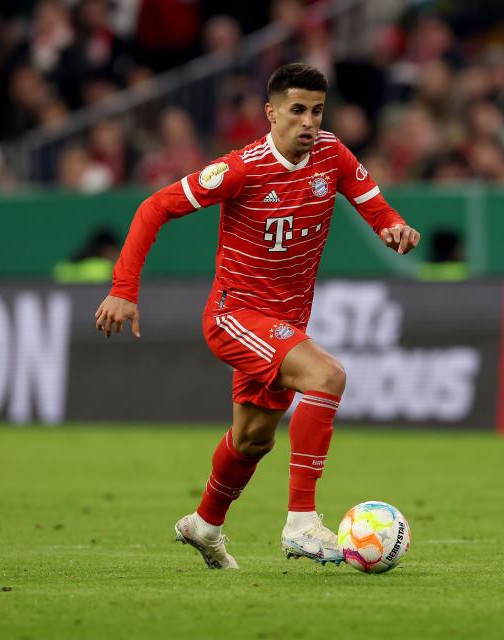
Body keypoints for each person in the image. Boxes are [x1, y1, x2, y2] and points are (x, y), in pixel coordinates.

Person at [94, 63, 420, 569]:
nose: (308, 122)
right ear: (271, 114)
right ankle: (301, 522)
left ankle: (204, 524)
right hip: (235, 314)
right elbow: (153, 208)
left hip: (286, 322)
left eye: (316, 111)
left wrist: (394, 227)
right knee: (327, 375)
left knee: (253, 439)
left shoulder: (332, 154)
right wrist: (123, 289)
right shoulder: (241, 169)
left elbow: (373, 203)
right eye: (296, 111)